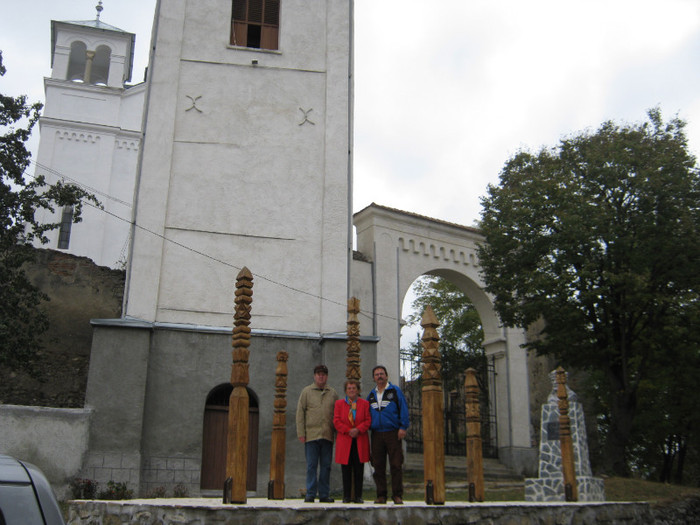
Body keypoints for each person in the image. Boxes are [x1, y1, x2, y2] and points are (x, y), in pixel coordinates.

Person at [367, 365, 409, 505]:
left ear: (386, 376)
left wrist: (403, 426)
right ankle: (381, 495)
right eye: (377, 374)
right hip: (377, 433)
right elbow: (367, 413)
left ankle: (397, 495)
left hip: (392, 432)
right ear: (373, 378)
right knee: (378, 465)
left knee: (396, 464)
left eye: (382, 374)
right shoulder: (371, 395)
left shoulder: (394, 391)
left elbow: (403, 408)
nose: (379, 376)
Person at [296, 364, 338, 503]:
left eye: (324, 374)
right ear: (314, 376)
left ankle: (324, 494)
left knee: (326, 466)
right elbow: (300, 413)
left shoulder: (332, 393)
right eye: (319, 374)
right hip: (311, 435)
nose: (321, 376)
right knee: (311, 466)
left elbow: (337, 415)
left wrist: (337, 434)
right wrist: (301, 432)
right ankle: (311, 493)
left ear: (327, 377)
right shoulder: (306, 392)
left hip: (327, 434)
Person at [333, 379, 371, 503]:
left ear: (358, 390)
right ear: (346, 390)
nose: (351, 390)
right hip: (345, 439)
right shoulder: (339, 404)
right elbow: (336, 421)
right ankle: (347, 496)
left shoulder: (364, 404)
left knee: (359, 468)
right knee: (346, 469)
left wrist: (358, 430)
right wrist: (348, 430)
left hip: (359, 439)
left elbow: (367, 420)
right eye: (349, 388)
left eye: (354, 388)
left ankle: (358, 496)